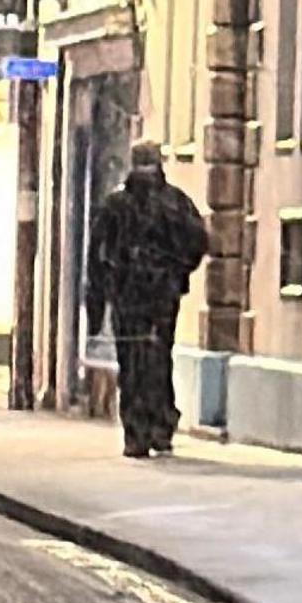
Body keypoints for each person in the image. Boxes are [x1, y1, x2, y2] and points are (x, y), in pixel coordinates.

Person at [85, 142, 210, 457]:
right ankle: (158, 423)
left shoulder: (117, 205)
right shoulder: (174, 202)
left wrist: (100, 300)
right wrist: (174, 273)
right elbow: (198, 242)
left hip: (130, 296)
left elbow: (97, 257)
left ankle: (138, 430)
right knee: (157, 358)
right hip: (159, 296)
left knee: (132, 362)